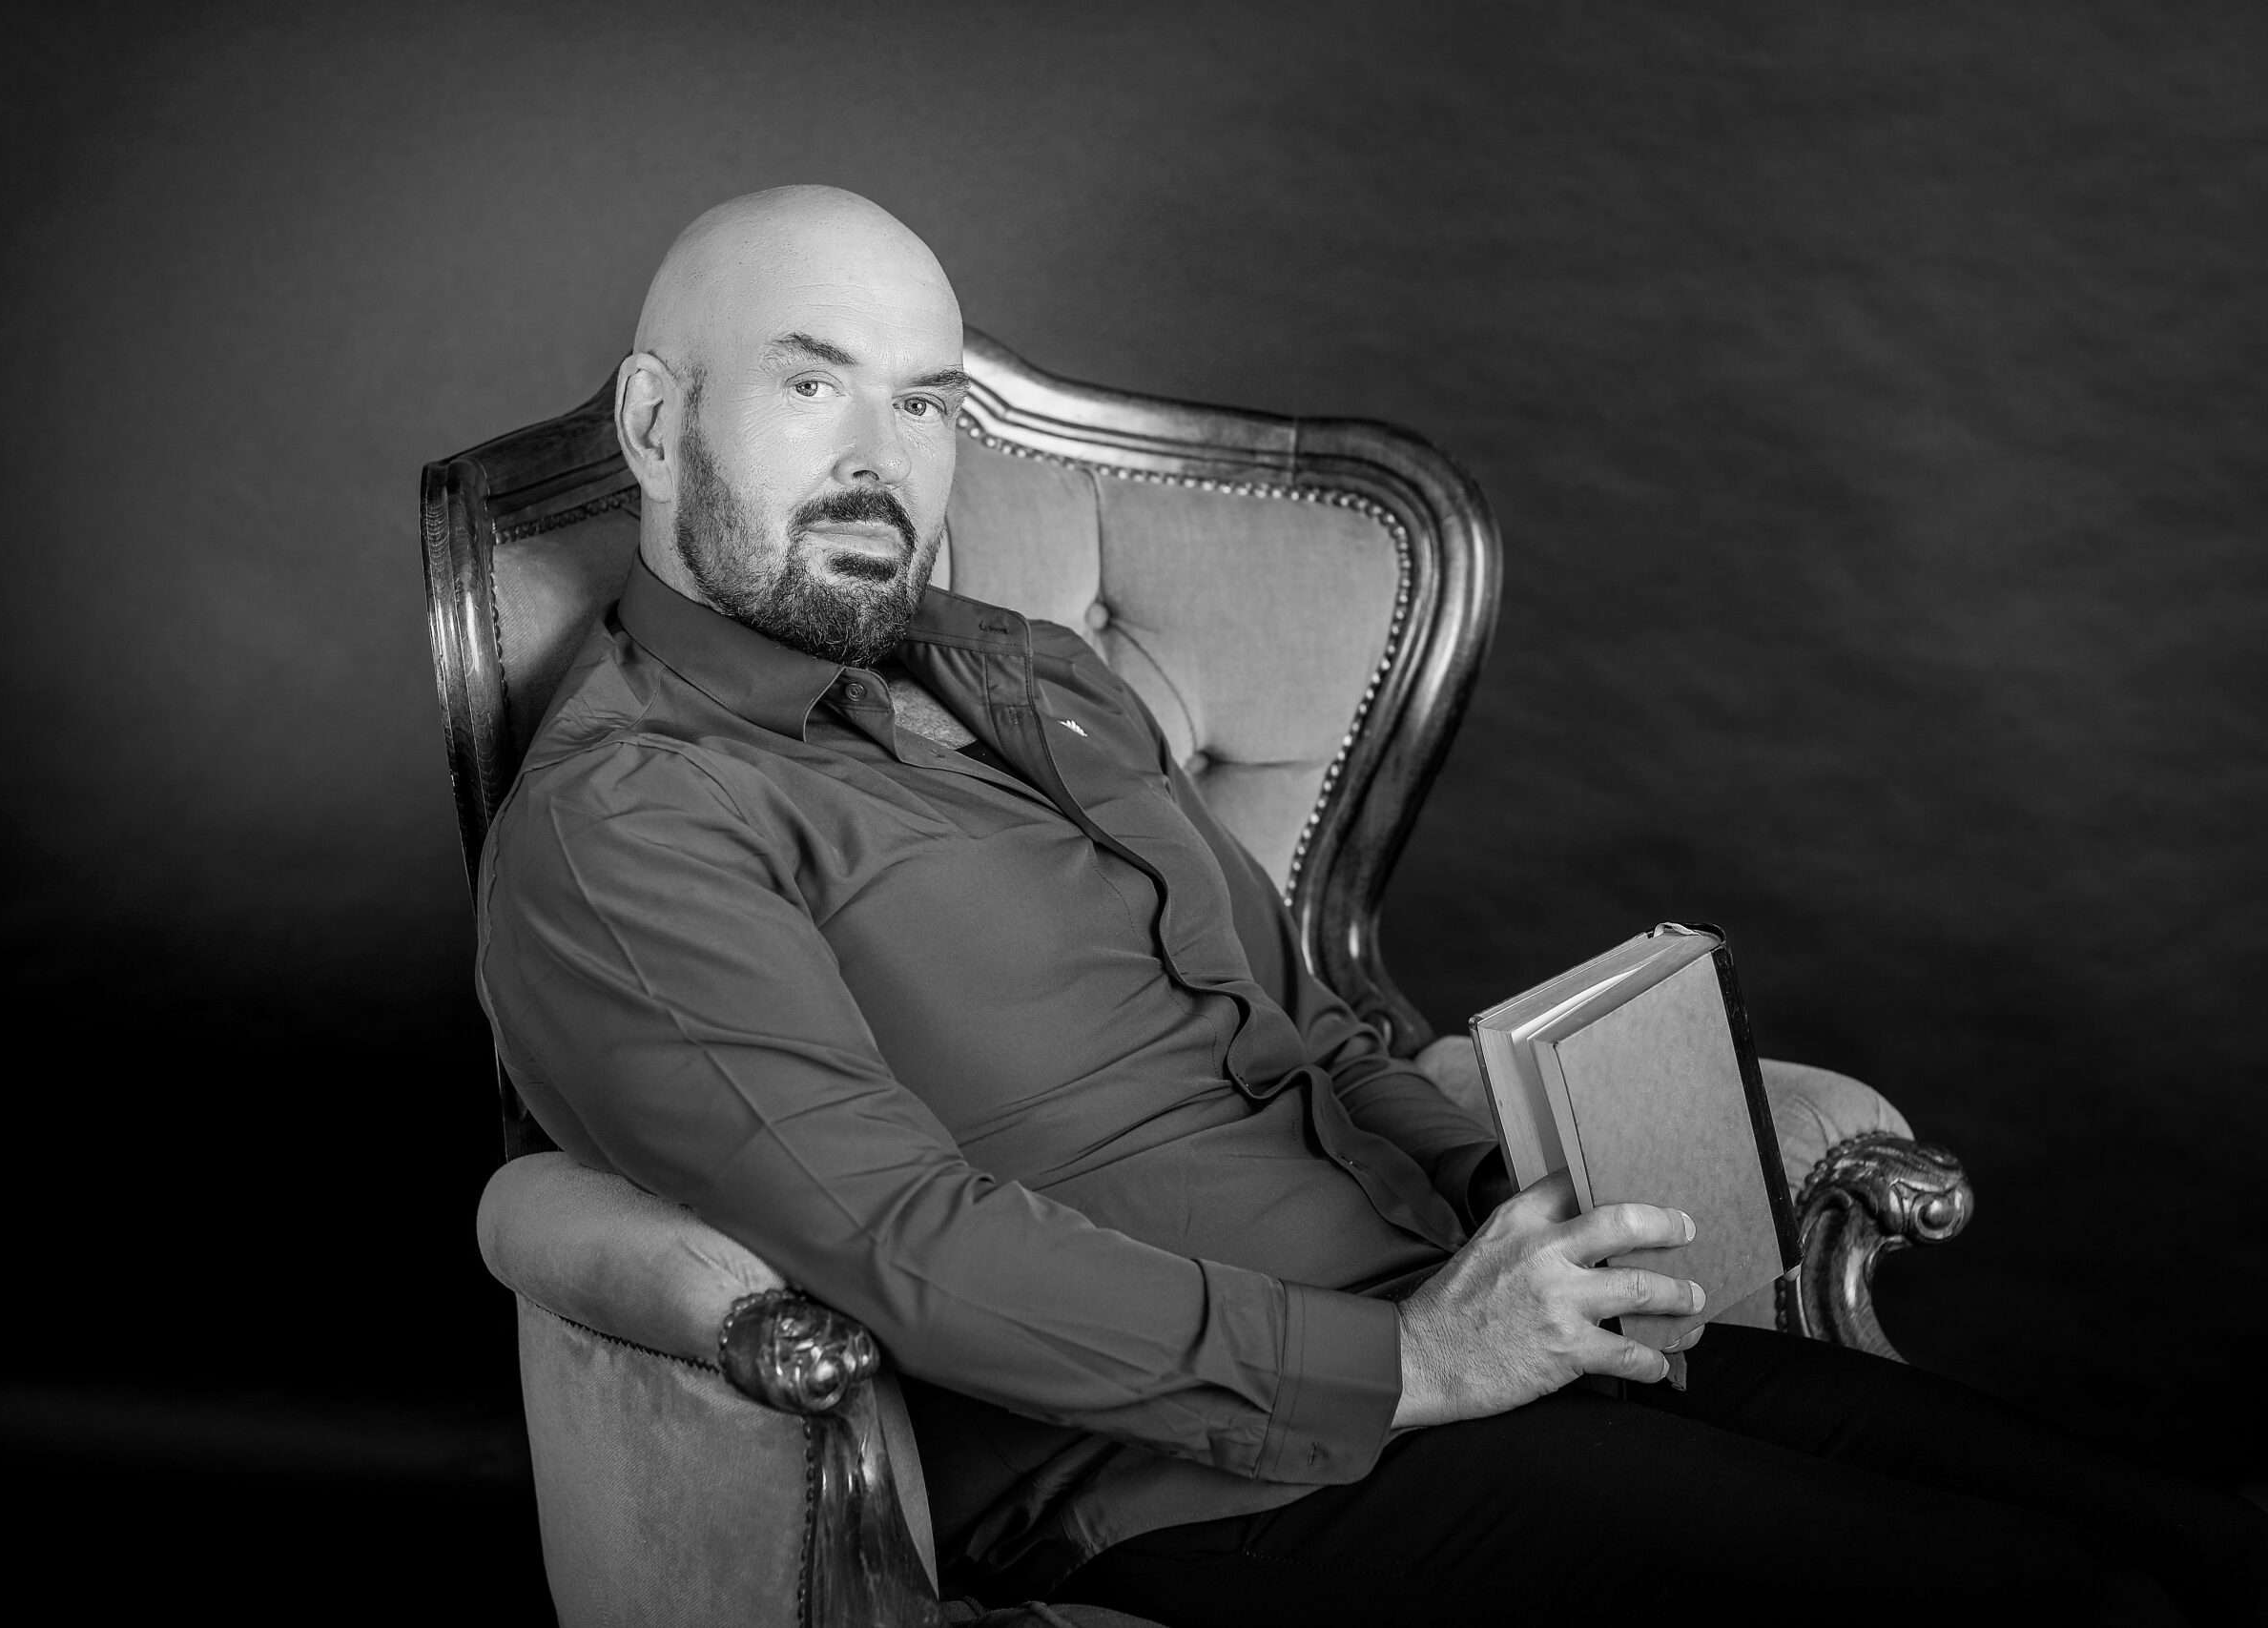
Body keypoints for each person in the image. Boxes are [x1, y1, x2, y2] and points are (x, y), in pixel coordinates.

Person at [476, 186, 2261, 1625]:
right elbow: (907, 1244)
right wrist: (1414, 1359)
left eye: (926, 401)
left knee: (2204, 1547)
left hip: (1454, 1302)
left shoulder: (1022, 672)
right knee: (2074, 1610)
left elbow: (1309, 1031)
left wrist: (1518, 1195)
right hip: (1204, 1464)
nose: (887, 457)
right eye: (812, 385)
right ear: (657, 422)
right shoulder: (632, 818)